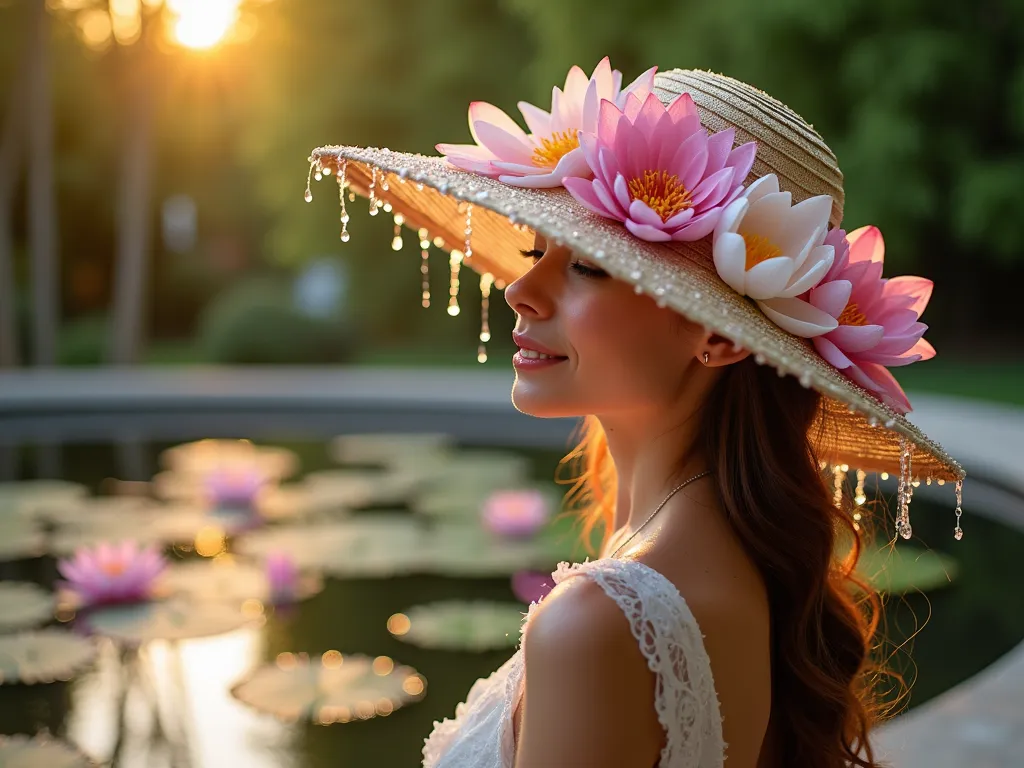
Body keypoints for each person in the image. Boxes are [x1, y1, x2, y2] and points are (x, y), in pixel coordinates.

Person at [307, 61, 965, 768]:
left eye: (589, 266)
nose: (521, 290)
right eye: (536, 250)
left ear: (716, 335)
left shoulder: (596, 625)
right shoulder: (738, 558)